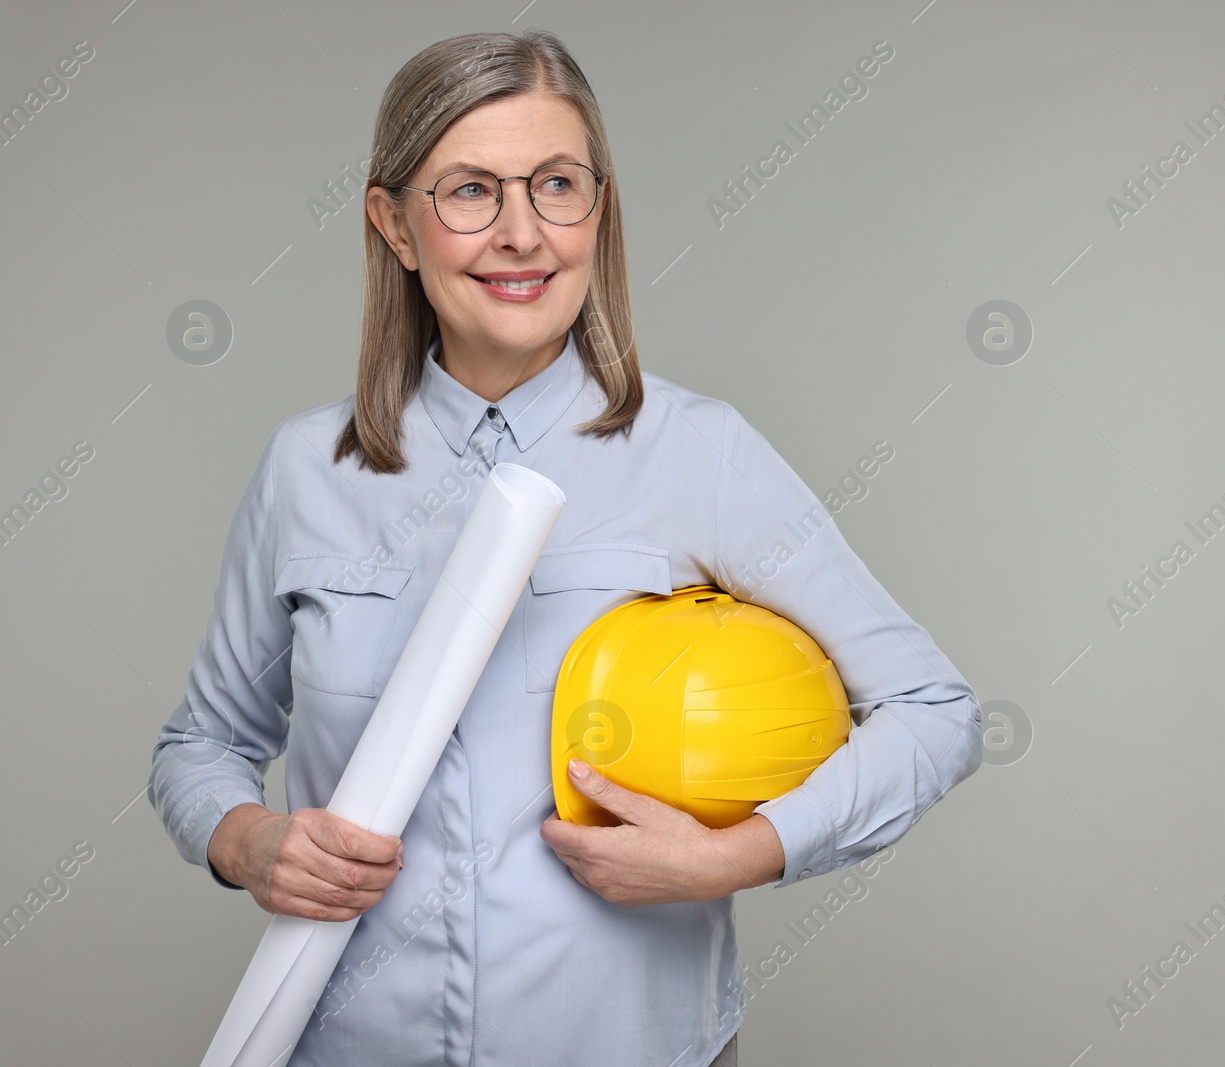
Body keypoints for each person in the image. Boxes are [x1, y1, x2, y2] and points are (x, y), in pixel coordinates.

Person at [147, 28, 983, 1067]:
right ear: (394, 224)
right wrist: (250, 842)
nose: (521, 233)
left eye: (555, 184)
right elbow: (202, 746)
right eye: (468, 191)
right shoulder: (304, 470)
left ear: (599, 209)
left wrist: (740, 853)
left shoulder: (699, 453)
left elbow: (935, 711)